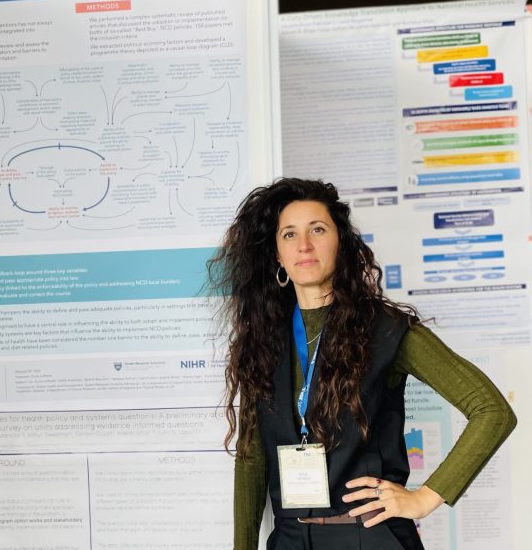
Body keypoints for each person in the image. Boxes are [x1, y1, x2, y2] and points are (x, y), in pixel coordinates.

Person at [207, 178, 516, 549]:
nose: (303, 245)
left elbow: (492, 411)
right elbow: (252, 459)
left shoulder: (385, 329)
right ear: (276, 255)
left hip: (367, 536)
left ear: (341, 241)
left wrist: (424, 498)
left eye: (317, 230)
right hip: (289, 538)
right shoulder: (263, 340)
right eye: (289, 235)